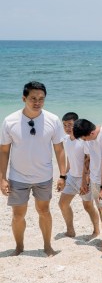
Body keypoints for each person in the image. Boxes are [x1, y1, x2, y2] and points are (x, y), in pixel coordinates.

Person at [0, 81, 66, 256]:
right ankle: (19, 247)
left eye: (41, 99)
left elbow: (59, 150)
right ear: (24, 98)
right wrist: (2, 178)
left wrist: (63, 175)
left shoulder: (53, 120)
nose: (37, 102)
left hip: (43, 176)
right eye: (33, 98)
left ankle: (47, 246)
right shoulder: (10, 121)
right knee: (18, 215)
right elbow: (4, 151)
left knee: (44, 211)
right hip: (18, 177)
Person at [73, 119, 102, 255]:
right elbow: (88, 159)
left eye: (85, 138)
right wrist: (86, 180)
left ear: (92, 132)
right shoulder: (89, 138)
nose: (84, 141)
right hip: (95, 179)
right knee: (101, 210)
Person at [58, 112, 100, 239]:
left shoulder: (83, 140)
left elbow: (89, 160)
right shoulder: (65, 140)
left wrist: (86, 181)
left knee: (88, 206)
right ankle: (70, 231)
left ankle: (96, 230)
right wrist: (63, 176)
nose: (67, 128)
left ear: (76, 124)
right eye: (65, 125)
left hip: (84, 179)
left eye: (70, 125)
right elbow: (69, 159)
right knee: (62, 204)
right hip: (71, 178)